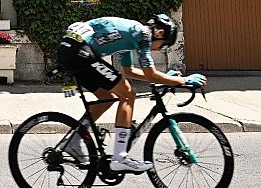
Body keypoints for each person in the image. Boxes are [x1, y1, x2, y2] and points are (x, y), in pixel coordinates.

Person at [56, 14, 206, 173]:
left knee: (107, 98)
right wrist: (184, 81)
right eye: (163, 46)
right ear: (160, 33)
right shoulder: (143, 35)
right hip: (81, 51)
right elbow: (151, 75)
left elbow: (129, 71)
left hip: (71, 49)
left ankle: (73, 140)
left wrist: (166, 78)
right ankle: (119, 157)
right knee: (128, 93)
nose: (159, 49)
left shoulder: (131, 34)